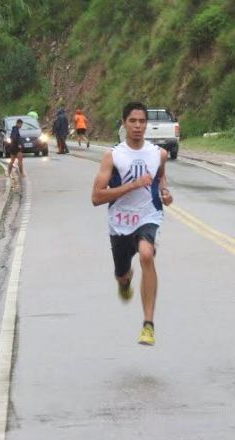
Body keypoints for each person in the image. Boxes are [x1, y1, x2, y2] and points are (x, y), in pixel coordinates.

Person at [91, 101, 173, 346]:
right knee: (123, 275)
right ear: (124, 123)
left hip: (148, 216)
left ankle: (148, 325)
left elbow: (161, 181)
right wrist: (132, 185)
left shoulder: (159, 154)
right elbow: (96, 197)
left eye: (142, 121)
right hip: (120, 223)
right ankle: (124, 282)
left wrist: (166, 194)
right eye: (133, 121)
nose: (138, 126)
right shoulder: (113, 156)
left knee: (147, 255)